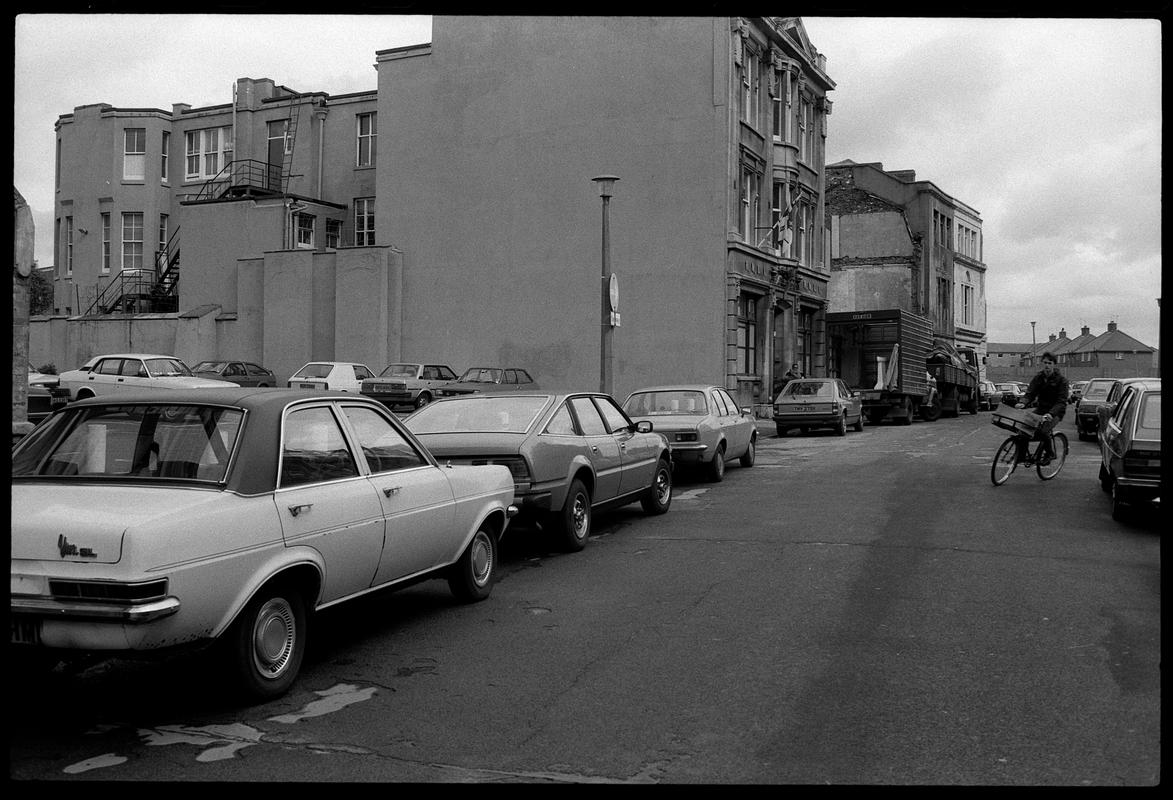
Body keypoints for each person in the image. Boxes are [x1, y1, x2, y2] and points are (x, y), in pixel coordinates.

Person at [1016, 351, 1069, 465]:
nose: (1047, 366)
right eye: (1045, 363)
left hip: (1055, 411)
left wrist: (1051, 414)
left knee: (1042, 431)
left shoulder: (1062, 381)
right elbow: (1030, 393)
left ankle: (1050, 453)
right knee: (1024, 429)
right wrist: (1023, 403)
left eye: (1049, 363)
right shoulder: (1038, 378)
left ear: (1054, 364)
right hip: (1041, 409)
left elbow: (1061, 401)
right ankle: (1021, 456)